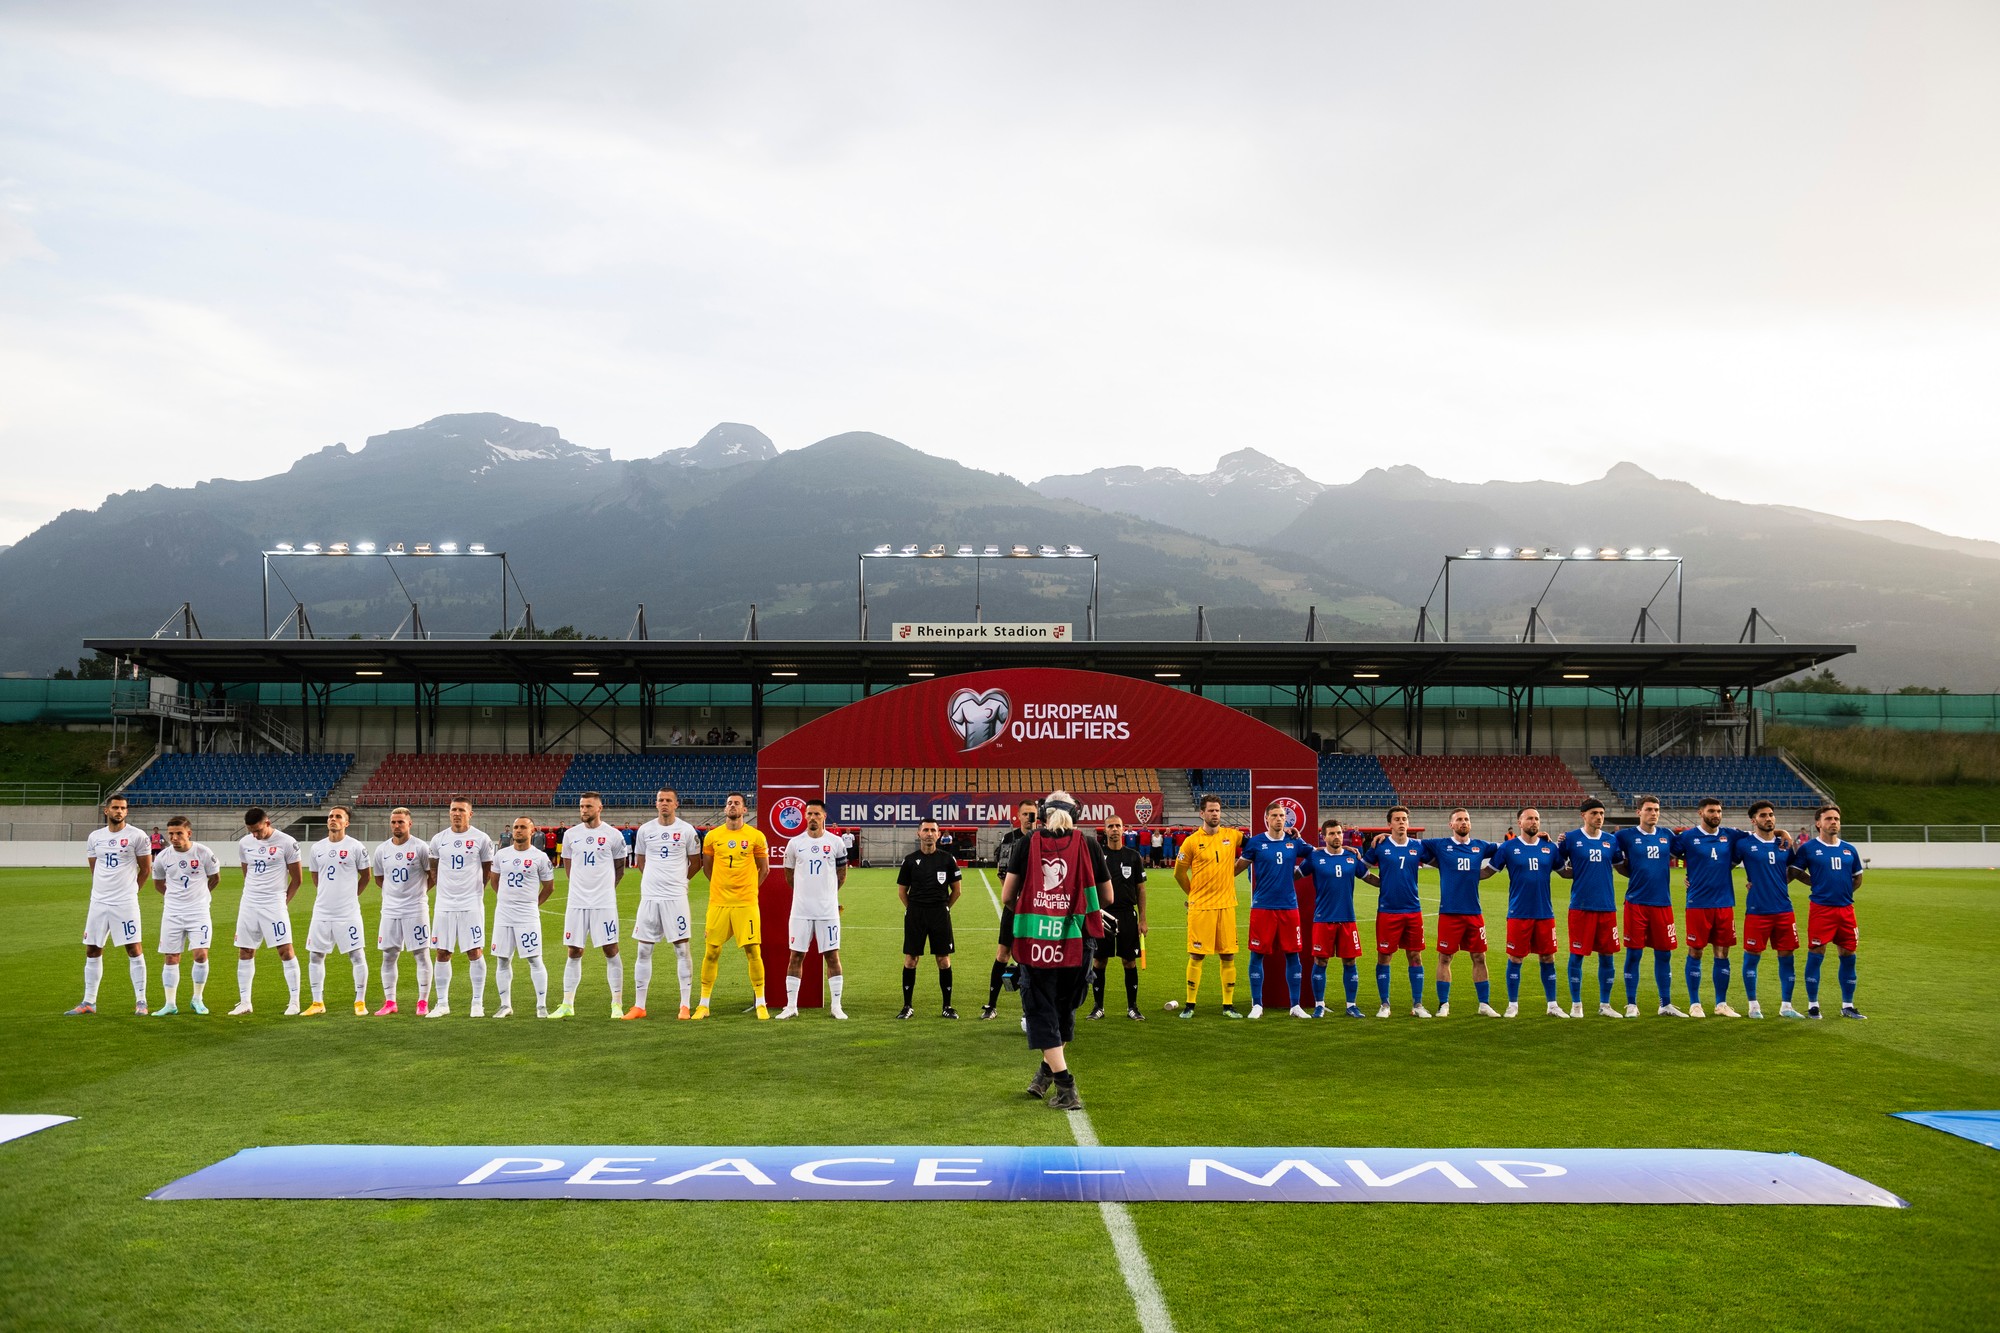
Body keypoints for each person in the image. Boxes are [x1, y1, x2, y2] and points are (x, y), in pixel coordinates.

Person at [1013, 791, 1105, 1111]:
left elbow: (1009, 894)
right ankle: (1045, 1072)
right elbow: (1104, 896)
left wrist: (1040, 907)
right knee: (1064, 1009)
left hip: (1037, 939)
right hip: (1078, 940)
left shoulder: (1026, 844)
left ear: (1041, 815)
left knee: (1041, 1010)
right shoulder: (1089, 844)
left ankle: (1066, 1086)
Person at [68, 796, 153, 1015]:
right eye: (115, 807)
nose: (119, 811)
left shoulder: (137, 836)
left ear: (126, 811)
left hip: (125, 902)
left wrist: (131, 891)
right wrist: (102, 890)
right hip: (98, 901)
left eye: (123, 808)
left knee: (133, 948)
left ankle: (141, 1001)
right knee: (92, 949)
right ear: (106, 810)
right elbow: (95, 868)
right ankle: (89, 1002)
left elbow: (145, 869)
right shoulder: (95, 837)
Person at [694, 792, 771, 1020]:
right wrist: (722, 887)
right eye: (729, 803)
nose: (732, 806)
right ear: (725, 809)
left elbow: (764, 869)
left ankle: (760, 1002)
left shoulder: (756, 836)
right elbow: (707, 868)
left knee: (753, 951)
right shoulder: (712, 837)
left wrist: (749, 890)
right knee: (711, 952)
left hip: (745, 904)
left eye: (737, 803)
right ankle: (703, 1004)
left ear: (745, 810)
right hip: (718, 903)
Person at [626, 787, 700, 1020]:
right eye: (660, 800)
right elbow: (640, 860)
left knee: (681, 948)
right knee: (644, 949)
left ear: (676, 804)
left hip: (675, 898)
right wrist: (654, 882)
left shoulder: (687, 830)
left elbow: (695, 862)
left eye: (668, 800)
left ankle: (685, 1005)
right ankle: (639, 1006)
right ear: (656, 804)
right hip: (649, 898)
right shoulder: (646, 830)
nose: (664, 803)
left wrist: (679, 881)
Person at [1418, 807, 1499, 1018]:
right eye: (1459, 819)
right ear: (1451, 825)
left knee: (1479, 957)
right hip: (1449, 913)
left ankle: (1484, 1004)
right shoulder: (1440, 844)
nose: (1464, 822)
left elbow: (1508, 847)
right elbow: (1409, 842)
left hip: (1474, 912)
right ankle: (1443, 1004)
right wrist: (1383, 835)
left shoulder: (1480, 846)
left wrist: (1540, 837)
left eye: (1466, 819)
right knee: (1445, 957)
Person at [554, 791, 628, 1020]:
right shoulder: (570, 835)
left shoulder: (613, 835)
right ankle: (567, 1003)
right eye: (581, 806)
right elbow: (568, 866)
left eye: (588, 806)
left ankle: (617, 1004)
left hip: (603, 903)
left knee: (610, 948)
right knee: (574, 950)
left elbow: (619, 868)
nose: (583, 810)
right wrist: (580, 887)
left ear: (599, 808)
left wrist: (604, 889)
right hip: (577, 902)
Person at [1172, 794, 1245, 1019]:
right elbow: (1179, 872)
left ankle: (1228, 1005)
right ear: (1201, 813)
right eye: (1211, 810)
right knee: (1197, 955)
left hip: (1226, 905)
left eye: (1218, 810)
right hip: (1201, 907)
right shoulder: (1192, 841)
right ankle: (1190, 1005)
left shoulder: (1232, 836)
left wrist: (1286, 834)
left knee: (1228, 956)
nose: (1215, 814)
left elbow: (1259, 845)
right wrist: (1193, 893)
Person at [1672, 797, 1746, 1018]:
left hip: (1724, 903)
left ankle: (1721, 1003)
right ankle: (1695, 1003)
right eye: (1712, 811)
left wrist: (1783, 834)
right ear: (1700, 813)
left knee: (1722, 952)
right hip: (1698, 903)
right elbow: (1668, 852)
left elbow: (1761, 836)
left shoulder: (1730, 835)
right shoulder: (1687, 837)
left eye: (1719, 811)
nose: (1716, 814)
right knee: (1696, 951)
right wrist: (1689, 874)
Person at [1790, 804, 1865, 1019]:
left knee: (1848, 955)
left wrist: (1841, 892)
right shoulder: (1809, 848)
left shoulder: (1849, 849)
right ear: (1818, 823)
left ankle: (1848, 1005)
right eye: (1829, 819)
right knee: (1816, 954)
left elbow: (1858, 877)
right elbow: (1795, 872)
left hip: (1846, 911)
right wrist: (1817, 885)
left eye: (1837, 819)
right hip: (1821, 910)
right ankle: (1813, 1005)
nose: (1834, 822)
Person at [1490, 807, 1565, 1018]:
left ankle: (1552, 1005)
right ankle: (1512, 1005)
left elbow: (1565, 872)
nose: (1534, 821)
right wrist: (1463, 873)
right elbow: (1489, 871)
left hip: (1544, 913)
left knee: (1548, 957)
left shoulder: (1549, 848)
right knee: (1515, 958)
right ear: (1519, 823)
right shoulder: (1508, 848)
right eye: (1529, 818)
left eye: (1537, 818)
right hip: (1518, 913)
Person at [1241, 802, 1313, 1019]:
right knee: (1257, 955)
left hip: (1289, 907)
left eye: (1282, 815)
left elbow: (1318, 855)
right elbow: (1236, 868)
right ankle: (1257, 1004)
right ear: (1266, 819)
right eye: (1274, 815)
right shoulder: (1255, 843)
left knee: (1293, 955)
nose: (1279, 819)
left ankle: (1295, 1005)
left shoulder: (1294, 842)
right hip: (1262, 906)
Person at [228, 807, 302, 1016]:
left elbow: (297, 880)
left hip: (274, 903)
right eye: (251, 831)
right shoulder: (245, 843)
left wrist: (282, 902)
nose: (255, 835)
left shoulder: (287, 842)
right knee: (245, 950)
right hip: (249, 903)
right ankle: (245, 1002)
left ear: (267, 823)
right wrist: (253, 894)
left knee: (285, 950)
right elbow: (247, 873)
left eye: (258, 830)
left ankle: (294, 1002)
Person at [1613, 796, 1683, 1017]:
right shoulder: (1625, 836)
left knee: (1664, 955)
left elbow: (1693, 849)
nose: (1654, 813)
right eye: (1649, 809)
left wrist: (1780, 833)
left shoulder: (1667, 836)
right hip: (1636, 904)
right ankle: (1632, 1004)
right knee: (1634, 954)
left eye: (1657, 809)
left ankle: (1665, 1004)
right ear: (1638, 812)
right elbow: (1607, 851)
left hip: (1663, 903)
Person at [780, 799, 849, 1020]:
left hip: (827, 911)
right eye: (809, 814)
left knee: (832, 955)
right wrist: (804, 893)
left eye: (816, 814)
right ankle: (791, 1006)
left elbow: (842, 875)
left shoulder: (836, 843)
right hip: (800, 910)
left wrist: (827, 895)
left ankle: (836, 1006)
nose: (812, 818)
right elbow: (789, 875)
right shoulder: (794, 844)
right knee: (796, 956)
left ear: (824, 817)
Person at [1733, 801, 1803, 1019]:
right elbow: (1722, 866)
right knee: (1752, 958)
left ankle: (1787, 1006)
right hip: (1757, 910)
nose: (1769, 818)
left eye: (1771, 815)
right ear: (1754, 820)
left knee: (1787, 957)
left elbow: (1794, 869)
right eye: (1763, 815)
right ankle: (1753, 1006)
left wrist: (1778, 884)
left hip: (1784, 909)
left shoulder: (1784, 844)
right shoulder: (1744, 843)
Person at [427, 797, 495, 1018]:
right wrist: (445, 889)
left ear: (470, 814)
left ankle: (477, 1003)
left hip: (470, 904)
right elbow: (433, 868)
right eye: (453, 810)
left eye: (461, 810)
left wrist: (475, 891)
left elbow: (487, 870)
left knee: (474, 951)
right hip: (444, 904)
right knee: (442, 952)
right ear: (449, 813)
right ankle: (442, 1003)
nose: (457, 814)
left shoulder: (481, 839)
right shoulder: (438, 839)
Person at [1555, 797, 1623, 1017]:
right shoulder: (1571, 839)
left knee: (1607, 956)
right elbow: (1558, 864)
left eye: (1602, 814)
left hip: (1606, 906)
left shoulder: (1611, 841)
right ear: (1583, 815)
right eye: (1594, 813)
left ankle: (1605, 1005)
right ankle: (1576, 1005)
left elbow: (1620, 865)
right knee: (1577, 955)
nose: (1599, 817)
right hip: (1581, 906)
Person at [302, 805, 372, 1017]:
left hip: (347, 912)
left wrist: (350, 896)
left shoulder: (356, 847)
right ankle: (317, 1002)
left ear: (346, 823)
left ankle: (360, 1001)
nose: (333, 819)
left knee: (357, 954)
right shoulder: (317, 848)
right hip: (322, 911)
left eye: (338, 817)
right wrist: (327, 895)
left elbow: (366, 876)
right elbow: (315, 876)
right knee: (315, 956)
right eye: (331, 816)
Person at [1362, 806, 1429, 1018]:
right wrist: (1379, 883)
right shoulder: (1380, 846)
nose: (1402, 822)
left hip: (1412, 910)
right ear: (1389, 824)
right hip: (1388, 911)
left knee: (1415, 956)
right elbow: (1360, 868)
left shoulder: (1418, 846)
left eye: (1404, 819)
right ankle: (1384, 1004)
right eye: (1397, 819)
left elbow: (1441, 860)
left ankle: (1418, 1005)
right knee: (1384, 956)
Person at [149, 815, 218, 1016]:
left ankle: (197, 999)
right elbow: (158, 884)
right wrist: (176, 899)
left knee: (201, 954)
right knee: (171, 957)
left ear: (189, 833)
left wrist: (200, 897)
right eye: (171, 833)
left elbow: (215, 878)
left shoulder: (204, 853)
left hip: (199, 912)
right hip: (172, 913)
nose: (174, 837)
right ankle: (170, 1004)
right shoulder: (163, 857)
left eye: (179, 833)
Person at [370, 806, 433, 1016]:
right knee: (388, 955)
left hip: (415, 908)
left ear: (409, 824)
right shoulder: (381, 850)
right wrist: (394, 895)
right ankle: (390, 1002)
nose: (396, 826)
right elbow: (379, 878)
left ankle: (422, 1002)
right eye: (393, 822)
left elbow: (431, 875)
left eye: (400, 822)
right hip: (390, 910)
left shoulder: (421, 848)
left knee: (421, 954)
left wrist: (417, 893)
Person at [491, 815, 556, 1018]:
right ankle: (505, 1005)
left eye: (523, 827)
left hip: (527, 915)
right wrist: (506, 900)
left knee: (534, 959)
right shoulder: (501, 855)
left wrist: (533, 904)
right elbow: (495, 881)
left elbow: (549, 886)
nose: (518, 830)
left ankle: (541, 1006)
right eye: (516, 827)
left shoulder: (540, 857)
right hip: (503, 914)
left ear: (533, 831)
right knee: (502, 959)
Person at [898, 818, 962, 1018]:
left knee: (943, 959)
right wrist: (914, 909)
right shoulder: (909, 860)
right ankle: (907, 1006)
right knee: (911, 959)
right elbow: (902, 892)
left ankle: (947, 1006)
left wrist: (943, 908)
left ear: (939, 834)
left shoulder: (947, 859)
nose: (929, 833)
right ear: (918, 834)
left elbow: (957, 891)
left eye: (933, 830)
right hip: (916, 914)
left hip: (939, 914)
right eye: (925, 830)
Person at [983, 800, 1039, 1017]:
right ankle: (991, 1005)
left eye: (1032, 814)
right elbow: (1002, 872)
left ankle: (1030, 1009)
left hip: (1037, 907)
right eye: (1025, 814)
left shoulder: (1043, 839)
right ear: (1018, 815)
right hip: (1014, 905)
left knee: (1033, 957)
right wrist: (1012, 900)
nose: (1028, 818)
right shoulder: (1010, 839)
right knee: (1003, 954)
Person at [1306, 819, 1367, 1018]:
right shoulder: (1315, 857)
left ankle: (1351, 1005)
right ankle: (1319, 1004)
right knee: (1320, 961)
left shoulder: (1351, 857)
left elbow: (1367, 877)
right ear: (1323, 837)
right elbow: (1295, 874)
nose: (1336, 837)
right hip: (1323, 919)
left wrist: (1389, 885)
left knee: (1350, 961)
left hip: (1348, 919)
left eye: (1339, 833)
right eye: (1332, 833)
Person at [1089, 816, 1147, 1021]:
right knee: (1099, 960)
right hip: (1103, 914)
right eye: (1110, 826)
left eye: (1118, 826)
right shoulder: (1098, 855)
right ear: (1104, 830)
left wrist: (1143, 919)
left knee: (1129, 961)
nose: (1114, 829)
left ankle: (1133, 1007)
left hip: (1127, 914)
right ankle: (1098, 1007)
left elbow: (1140, 889)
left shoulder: (1133, 856)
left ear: (1124, 829)